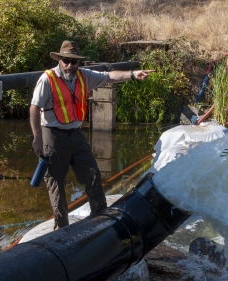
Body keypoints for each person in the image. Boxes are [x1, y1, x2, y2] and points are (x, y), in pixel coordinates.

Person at [30, 40, 154, 230]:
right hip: (53, 136)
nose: (70, 65)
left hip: (76, 135)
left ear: (79, 63)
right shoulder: (48, 79)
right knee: (56, 183)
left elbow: (109, 76)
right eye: (66, 61)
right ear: (59, 60)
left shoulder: (84, 76)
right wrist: (37, 138)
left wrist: (132, 74)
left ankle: (100, 220)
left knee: (92, 174)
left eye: (74, 62)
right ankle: (61, 227)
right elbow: (34, 107)